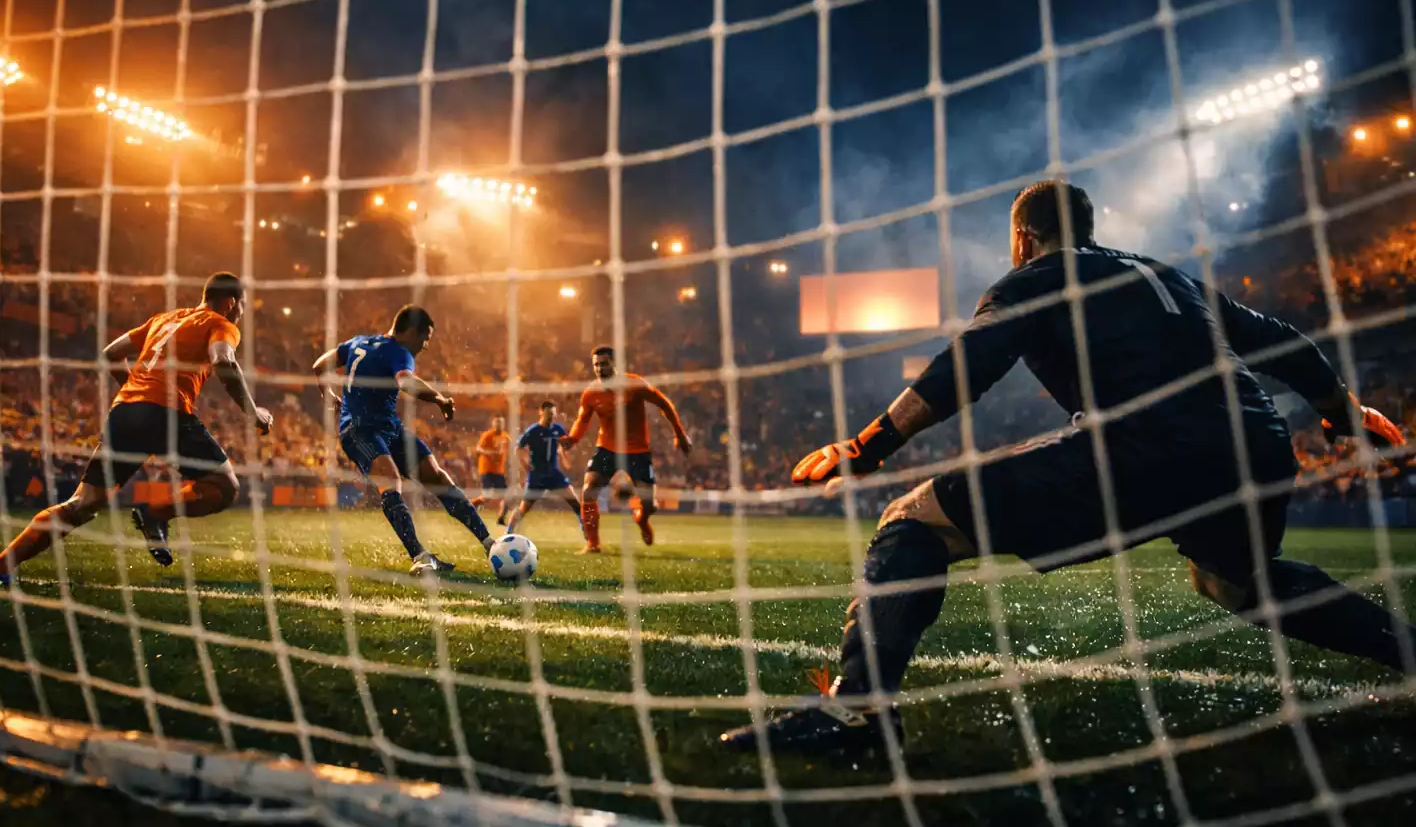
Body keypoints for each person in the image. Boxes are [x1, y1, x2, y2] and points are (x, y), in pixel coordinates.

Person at [721, 180, 1415, 752]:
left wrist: (866, 446)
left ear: (1022, 238)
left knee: (915, 520)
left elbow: (969, 366)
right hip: (1254, 440)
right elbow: (1285, 342)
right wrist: (1342, 411)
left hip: (1149, 440)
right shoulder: (1164, 274)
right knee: (1241, 584)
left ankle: (860, 712)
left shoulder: (1035, 277)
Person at [0, 272, 272, 582]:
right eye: (242, 307)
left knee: (82, 504)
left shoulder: (164, 319)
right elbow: (224, 361)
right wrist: (253, 413)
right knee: (225, 487)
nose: (241, 314)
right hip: (167, 412)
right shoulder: (220, 324)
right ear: (230, 302)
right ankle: (154, 514)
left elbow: (111, 353)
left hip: (126, 410)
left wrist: (135, 389)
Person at [313, 304, 497, 577]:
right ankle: (420, 557)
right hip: (359, 431)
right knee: (391, 480)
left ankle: (490, 543)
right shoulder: (398, 351)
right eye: (425, 339)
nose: (424, 346)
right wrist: (439, 399)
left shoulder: (358, 341)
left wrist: (329, 396)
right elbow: (407, 383)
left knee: (435, 475)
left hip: (389, 428)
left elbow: (319, 366)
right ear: (410, 332)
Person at [562, 345, 691, 553]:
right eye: (596, 364)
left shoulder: (634, 384)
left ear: (615, 364)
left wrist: (680, 433)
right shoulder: (591, 393)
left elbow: (664, 404)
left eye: (604, 364)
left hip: (637, 451)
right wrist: (572, 438)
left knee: (649, 504)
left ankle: (641, 519)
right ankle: (593, 544)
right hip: (607, 449)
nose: (600, 368)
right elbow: (582, 420)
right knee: (588, 491)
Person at [507, 400, 583, 536]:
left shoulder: (558, 429)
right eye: (548, 414)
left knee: (577, 504)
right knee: (524, 509)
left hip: (554, 474)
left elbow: (562, 446)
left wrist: (565, 454)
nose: (551, 417)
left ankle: (588, 538)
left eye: (553, 414)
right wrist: (525, 466)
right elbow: (518, 448)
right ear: (541, 412)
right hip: (537, 476)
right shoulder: (533, 431)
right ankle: (508, 533)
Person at [471, 416, 512, 523]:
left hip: (499, 471)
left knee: (506, 496)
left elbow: (507, 454)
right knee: (487, 496)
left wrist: (507, 468)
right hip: (487, 469)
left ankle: (501, 518)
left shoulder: (506, 437)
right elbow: (478, 449)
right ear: (493, 424)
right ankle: (471, 505)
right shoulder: (487, 435)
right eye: (497, 422)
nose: (499, 425)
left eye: (501, 422)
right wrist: (490, 453)